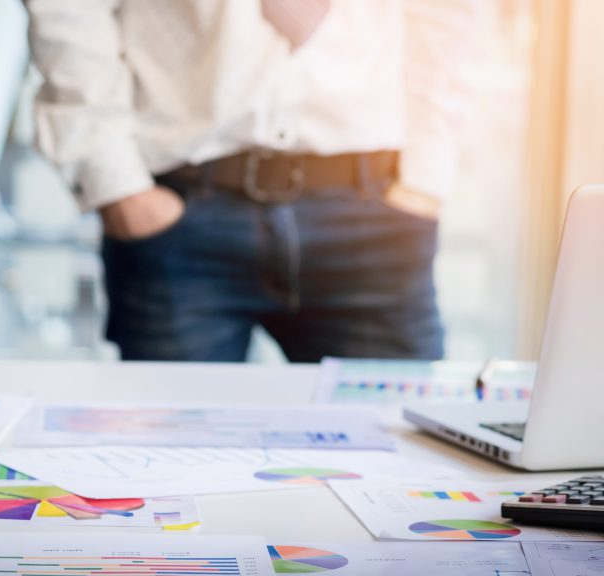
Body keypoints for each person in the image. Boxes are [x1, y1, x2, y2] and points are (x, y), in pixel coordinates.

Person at [25, 0, 475, 362]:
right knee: (168, 464)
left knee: (397, 462)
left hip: (373, 213)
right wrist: (119, 187)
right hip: (178, 215)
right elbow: (71, 11)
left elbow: (445, 16)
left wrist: (425, 180)